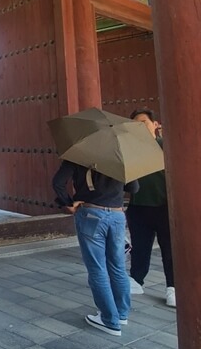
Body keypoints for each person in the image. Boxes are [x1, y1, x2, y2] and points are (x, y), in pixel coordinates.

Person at [53, 161, 139, 337]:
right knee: (118, 267)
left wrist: (67, 202)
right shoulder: (119, 155)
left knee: (97, 268)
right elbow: (134, 187)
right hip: (116, 215)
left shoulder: (78, 154)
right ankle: (121, 314)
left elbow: (58, 182)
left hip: (91, 213)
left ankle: (109, 320)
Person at [127, 108, 175, 308]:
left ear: (155, 125)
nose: (140, 126)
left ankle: (172, 287)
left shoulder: (166, 146)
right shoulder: (131, 150)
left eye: (144, 122)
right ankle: (136, 280)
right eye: (136, 124)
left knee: (169, 249)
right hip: (138, 206)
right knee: (140, 247)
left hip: (163, 206)